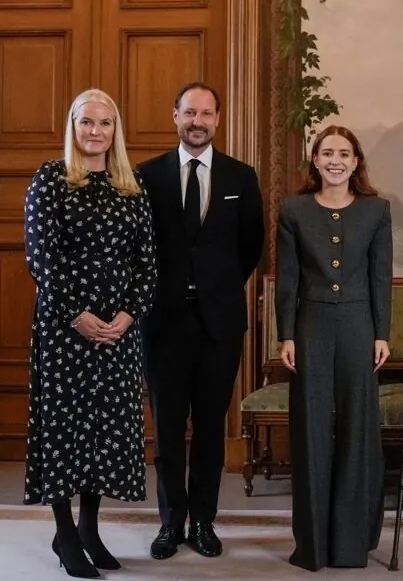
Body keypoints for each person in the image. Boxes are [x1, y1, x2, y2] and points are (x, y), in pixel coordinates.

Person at [23, 88, 156, 579]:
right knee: (64, 429)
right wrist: (76, 313)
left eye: (104, 123)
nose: (95, 131)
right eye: (86, 122)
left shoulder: (132, 186)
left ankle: (89, 528)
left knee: (106, 430)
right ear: (72, 127)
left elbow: (147, 262)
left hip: (117, 333)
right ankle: (63, 532)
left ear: (115, 130)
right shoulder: (51, 180)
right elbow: (42, 258)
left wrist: (127, 315)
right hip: (64, 329)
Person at [137, 81, 265, 560]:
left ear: (218, 119)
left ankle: (204, 523)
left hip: (219, 324)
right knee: (168, 427)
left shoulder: (240, 177)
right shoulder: (146, 176)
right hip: (163, 322)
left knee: (211, 427)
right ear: (175, 116)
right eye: (189, 112)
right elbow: (138, 248)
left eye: (206, 113)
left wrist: (216, 285)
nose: (197, 121)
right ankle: (170, 523)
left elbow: (251, 247)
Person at [274, 125, 392, 571]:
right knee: (310, 432)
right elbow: (288, 280)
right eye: (327, 153)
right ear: (315, 161)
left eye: (345, 153)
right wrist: (286, 334)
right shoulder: (293, 210)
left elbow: (381, 278)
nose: (336, 160)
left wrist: (382, 333)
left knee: (359, 432)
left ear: (356, 161)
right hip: (310, 327)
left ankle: (351, 542)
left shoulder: (376, 210)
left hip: (360, 327)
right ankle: (314, 545)